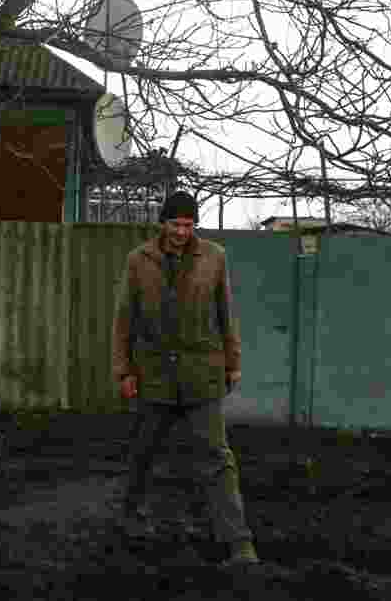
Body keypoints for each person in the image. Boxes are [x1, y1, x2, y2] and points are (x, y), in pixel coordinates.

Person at [111, 190, 261, 567]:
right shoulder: (138, 261)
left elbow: (226, 314)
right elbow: (123, 321)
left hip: (201, 376)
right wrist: (124, 371)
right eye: (175, 223)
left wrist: (233, 362)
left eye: (189, 224)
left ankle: (239, 544)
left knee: (217, 459)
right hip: (154, 376)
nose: (182, 230)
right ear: (162, 223)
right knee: (141, 456)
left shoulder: (214, 257)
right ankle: (129, 524)